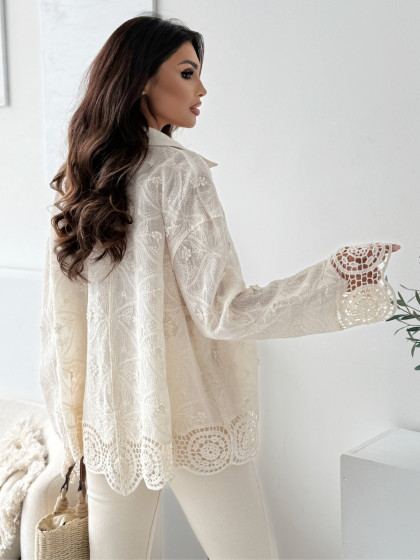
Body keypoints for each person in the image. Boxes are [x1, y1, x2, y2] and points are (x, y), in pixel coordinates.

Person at [38, 13, 401, 560]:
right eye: (187, 73)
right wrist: (339, 278)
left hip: (109, 420)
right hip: (193, 410)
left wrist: (73, 436)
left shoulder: (79, 178)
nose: (202, 89)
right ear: (142, 80)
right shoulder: (179, 172)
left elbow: (61, 332)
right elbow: (224, 311)